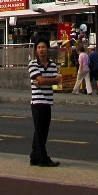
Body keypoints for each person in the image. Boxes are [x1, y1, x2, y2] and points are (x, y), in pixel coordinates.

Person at [28, 39, 60, 167]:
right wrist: (50, 80)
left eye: (43, 47)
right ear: (36, 50)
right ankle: (43, 158)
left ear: (47, 49)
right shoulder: (32, 64)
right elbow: (40, 80)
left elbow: (57, 81)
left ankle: (34, 156)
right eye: (39, 47)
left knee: (42, 131)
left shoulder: (52, 64)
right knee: (40, 132)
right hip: (37, 102)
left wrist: (45, 81)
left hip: (48, 101)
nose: (41, 49)